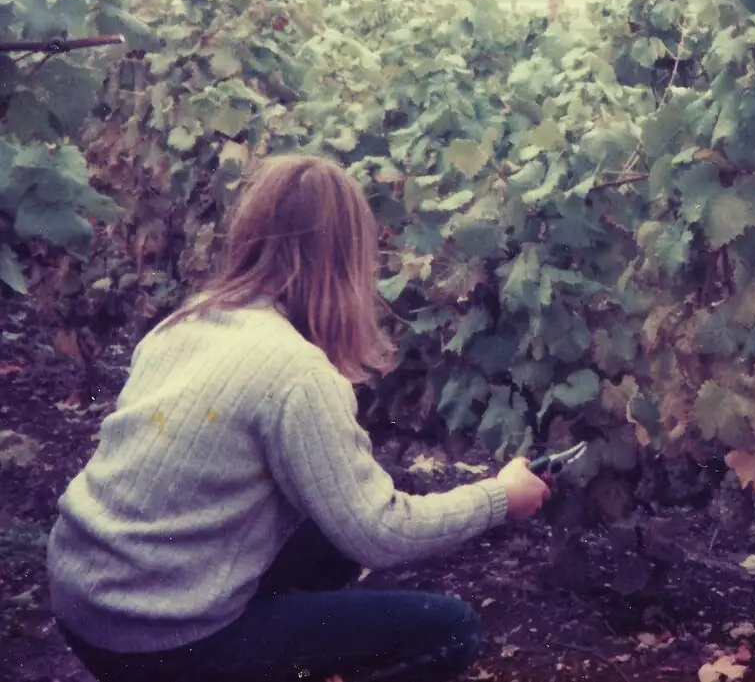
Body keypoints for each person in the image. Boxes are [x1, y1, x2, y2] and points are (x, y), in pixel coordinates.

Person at [46, 154, 550, 682]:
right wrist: (499, 497)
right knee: (451, 630)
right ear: (346, 259)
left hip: (86, 601)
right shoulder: (296, 373)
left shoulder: (187, 322)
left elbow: (352, 525)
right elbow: (379, 535)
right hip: (161, 640)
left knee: (332, 536)